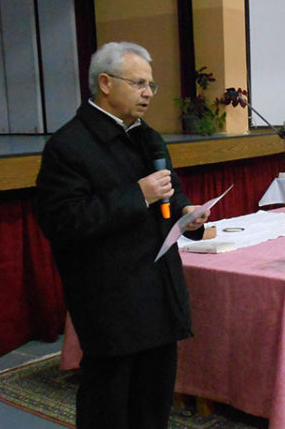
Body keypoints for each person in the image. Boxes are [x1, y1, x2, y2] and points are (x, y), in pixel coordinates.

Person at [36, 42, 209, 428]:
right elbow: (62, 222)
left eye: (151, 85)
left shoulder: (146, 136)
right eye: (139, 83)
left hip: (159, 288)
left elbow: (169, 187)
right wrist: (138, 195)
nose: (148, 93)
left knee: (154, 397)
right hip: (110, 297)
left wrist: (185, 212)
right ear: (105, 83)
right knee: (109, 402)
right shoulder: (68, 146)